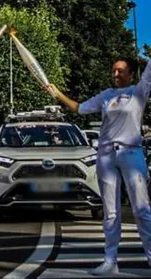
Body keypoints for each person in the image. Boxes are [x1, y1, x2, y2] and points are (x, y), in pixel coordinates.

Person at [47, 57, 151, 276]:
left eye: (120, 71)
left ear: (131, 74)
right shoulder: (106, 96)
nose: (115, 75)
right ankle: (110, 262)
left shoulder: (139, 90)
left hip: (131, 152)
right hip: (105, 155)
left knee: (141, 210)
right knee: (110, 212)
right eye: (113, 71)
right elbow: (80, 108)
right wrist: (57, 94)